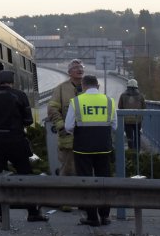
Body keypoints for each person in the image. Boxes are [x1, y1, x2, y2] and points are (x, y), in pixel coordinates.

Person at [0, 70, 48, 223]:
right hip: (16, 140)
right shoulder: (20, 96)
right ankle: (33, 212)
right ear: (12, 82)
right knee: (25, 176)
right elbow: (28, 120)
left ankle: (2, 213)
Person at [64, 74, 118, 226]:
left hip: (83, 148)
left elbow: (68, 126)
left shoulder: (76, 102)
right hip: (104, 147)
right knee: (104, 181)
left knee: (86, 181)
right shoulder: (109, 101)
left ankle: (92, 217)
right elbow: (115, 126)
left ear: (83, 85)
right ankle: (105, 216)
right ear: (98, 85)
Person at [47, 59, 85, 177]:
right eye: (75, 68)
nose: (79, 69)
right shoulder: (61, 89)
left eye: (81, 67)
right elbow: (52, 108)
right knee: (68, 169)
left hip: (87, 137)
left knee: (85, 170)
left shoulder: (89, 87)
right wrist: (60, 125)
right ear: (69, 72)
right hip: (68, 138)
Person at [118, 79, 146, 150]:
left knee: (129, 137)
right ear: (136, 86)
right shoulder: (140, 96)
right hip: (138, 120)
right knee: (137, 136)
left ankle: (131, 151)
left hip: (127, 120)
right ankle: (137, 152)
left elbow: (119, 107)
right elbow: (144, 107)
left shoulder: (123, 95)